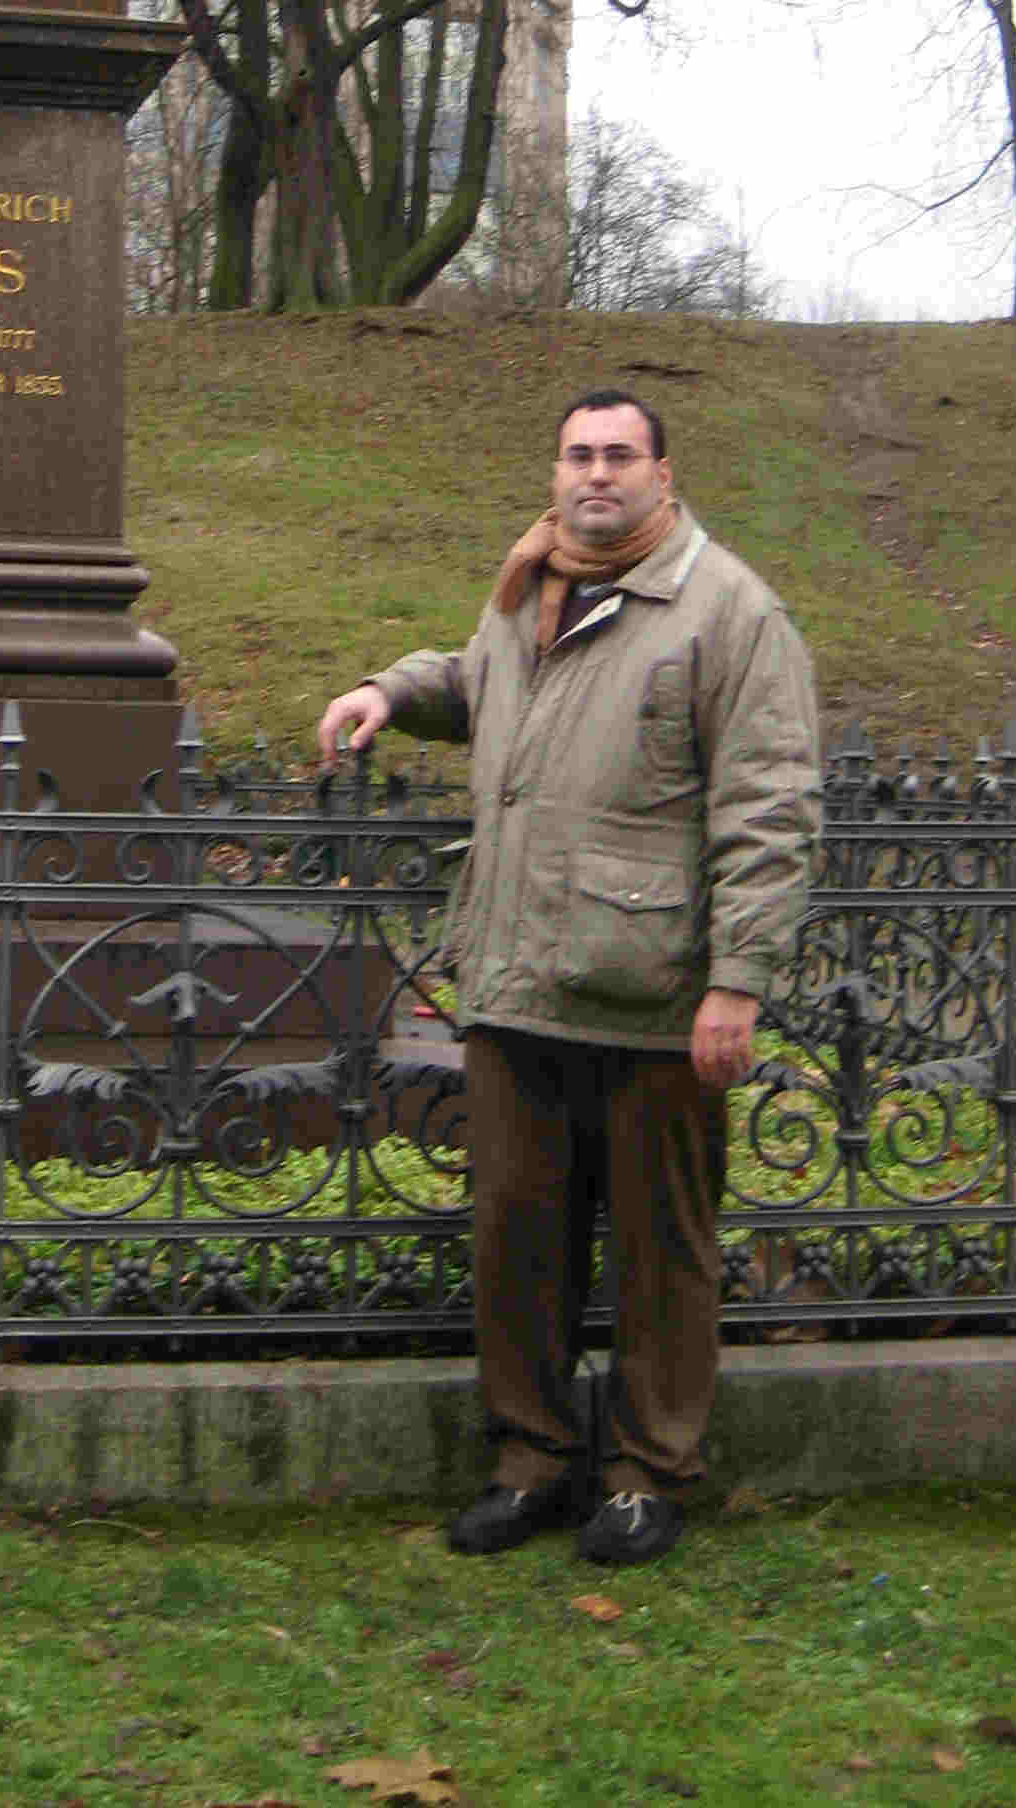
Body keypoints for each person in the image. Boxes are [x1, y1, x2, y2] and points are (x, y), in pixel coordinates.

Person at [316, 385, 818, 1567]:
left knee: (659, 1252)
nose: (597, 474)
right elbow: (480, 683)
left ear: (662, 475)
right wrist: (392, 690)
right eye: (578, 455)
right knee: (518, 1241)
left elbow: (770, 808)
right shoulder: (529, 587)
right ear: (555, 474)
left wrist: (738, 980)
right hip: (517, 980)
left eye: (619, 456)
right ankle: (531, 1462)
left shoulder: (730, 611)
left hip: (653, 995)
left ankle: (647, 1474)